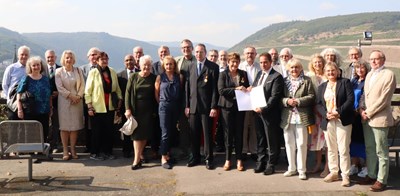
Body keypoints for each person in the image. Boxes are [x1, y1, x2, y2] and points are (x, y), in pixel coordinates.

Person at [359, 50, 396, 192]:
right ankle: (372, 174)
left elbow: (384, 99)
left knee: (381, 150)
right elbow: (366, 95)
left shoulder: (389, 75)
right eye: (371, 59)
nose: (373, 61)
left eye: (377, 59)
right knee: (370, 148)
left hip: (379, 118)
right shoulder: (369, 74)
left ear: (383, 60)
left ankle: (382, 180)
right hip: (367, 118)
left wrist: (368, 112)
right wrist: (362, 110)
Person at [316, 62, 354, 187]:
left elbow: (350, 100)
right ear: (325, 73)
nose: (331, 73)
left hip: (342, 120)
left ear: (338, 71)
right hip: (328, 120)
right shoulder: (322, 87)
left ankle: (345, 175)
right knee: (331, 148)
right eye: (328, 71)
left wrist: (338, 112)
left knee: (343, 149)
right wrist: (326, 114)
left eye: (333, 70)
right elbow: (318, 104)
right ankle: (333, 172)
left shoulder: (345, 82)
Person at [185, 43, 219, 170]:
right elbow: (187, 88)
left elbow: (215, 89)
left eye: (201, 52)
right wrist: (187, 105)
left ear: (205, 53)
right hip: (193, 107)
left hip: (207, 107)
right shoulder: (191, 66)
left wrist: (214, 107)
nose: (199, 54)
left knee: (207, 134)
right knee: (193, 133)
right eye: (197, 52)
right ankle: (194, 157)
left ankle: (209, 159)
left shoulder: (213, 67)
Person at [280, 58, 315, 180]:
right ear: (288, 69)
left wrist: (298, 101)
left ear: (300, 68)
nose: (294, 70)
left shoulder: (307, 81)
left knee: (301, 144)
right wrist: (287, 101)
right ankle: (291, 168)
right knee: (289, 144)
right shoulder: (284, 81)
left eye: (296, 67)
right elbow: (279, 97)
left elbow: (311, 96)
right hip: (288, 117)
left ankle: (302, 170)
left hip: (302, 116)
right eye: (292, 67)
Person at [85, 51, 122, 161]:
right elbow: (88, 91)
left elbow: (117, 88)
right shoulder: (93, 72)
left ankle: (108, 152)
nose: (104, 61)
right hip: (97, 107)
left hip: (109, 106)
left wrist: (120, 100)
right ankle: (94, 153)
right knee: (96, 132)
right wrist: (89, 106)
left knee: (109, 131)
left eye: (106, 59)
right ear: (97, 61)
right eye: (102, 59)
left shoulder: (112, 72)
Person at [251, 52, 284, 175]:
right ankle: (260, 161)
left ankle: (271, 163)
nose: (263, 64)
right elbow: (254, 90)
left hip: (269, 113)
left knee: (271, 139)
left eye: (265, 62)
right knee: (260, 138)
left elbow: (275, 96)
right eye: (261, 62)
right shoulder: (259, 74)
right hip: (257, 113)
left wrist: (264, 109)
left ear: (270, 62)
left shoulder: (276, 76)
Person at [16, 56, 52, 163]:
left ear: (41, 66)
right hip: (30, 111)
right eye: (34, 65)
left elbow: (49, 94)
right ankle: (32, 154)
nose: (36, 67)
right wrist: (20, 109)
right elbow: (19, 94)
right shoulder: (26, 78)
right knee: (31, 133)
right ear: (30, 67)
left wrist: (51, 107)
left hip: (44, 110)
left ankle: (41, 154)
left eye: (38, 65)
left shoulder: (45, 79)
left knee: (44, 131)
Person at [125, 55, 157, 170]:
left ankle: (137, 159)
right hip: (135, 111)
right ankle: (136, 160)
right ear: (140, 65)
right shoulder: (133, 77)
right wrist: (127, 109)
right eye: (144, 65)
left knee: (144, 136)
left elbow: (157, 95)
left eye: (149, 65)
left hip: (148, 112)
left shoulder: (154, 78)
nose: (147, 67)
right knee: (137, 136)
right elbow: (127, 94)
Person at [218, 52, 249, 171]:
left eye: (236, 62)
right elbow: (221, 90)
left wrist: (248, 88)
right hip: (226, 108)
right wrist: (236, 89)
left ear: (239, 62)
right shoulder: (223, 74)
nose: (234, 64)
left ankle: (239, 160)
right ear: (228, 62)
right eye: (232, 62)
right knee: (228, 134)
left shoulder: (243, 74)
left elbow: (246, 87)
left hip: (240, 107)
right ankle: (227, 160)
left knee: (239, 133)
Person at [55, 50, 85, 160]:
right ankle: (65, 150)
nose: (69, 59)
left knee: (74, 127)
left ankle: (73, 149)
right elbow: (60, 88)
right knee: (64, 127)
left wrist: (78, 96)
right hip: (64, 101)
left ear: (74, 59)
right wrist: (71, 96)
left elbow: (82, 85)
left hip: (77, 102)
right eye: (67, 57)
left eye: (71, 58)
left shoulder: (78, 70)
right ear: (63, 59)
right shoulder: (58, 71)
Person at [155, 56, 184, 169]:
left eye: (171, 64)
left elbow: (181, 91)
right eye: (166, 64)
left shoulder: (179, 77)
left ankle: (167, 154)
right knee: (165, 132)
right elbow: (156, 93)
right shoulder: (159, 77)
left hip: (175, 106)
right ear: (163, 66)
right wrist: (162, 104)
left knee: (172, 131)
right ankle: (163, 157)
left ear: (174, 65)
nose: (169, 66)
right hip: (164, 106)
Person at [306, 54, 328, 176]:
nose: (318, 64)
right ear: (312, 64)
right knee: (317, 140)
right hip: (314, 112)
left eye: (320, 62)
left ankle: (327, 166)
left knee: (328, 141)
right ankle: (318, 164)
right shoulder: (309, 76)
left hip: (326, 111)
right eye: (315, 62)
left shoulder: (328, 75)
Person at [175, 39, 196, 159]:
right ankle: (184, 150)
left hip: (194, 98)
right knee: (183, 126)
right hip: (181, 98)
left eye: (188, 47)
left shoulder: (196, 60)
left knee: (194, 126)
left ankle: (194, 150)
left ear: (192, 48)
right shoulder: (178, 61)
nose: (186, 49)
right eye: (183, 48)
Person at [238, 46, 260, 161]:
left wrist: (254, 87)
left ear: (255, 54)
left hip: (256, 99)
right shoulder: (240, 66)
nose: (249, 55)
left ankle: (254, 151)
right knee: (244, 126)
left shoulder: (259, 67)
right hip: (244, 100)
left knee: (254, 126)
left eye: (252, 53)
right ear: (244, 54)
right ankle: (244, 150)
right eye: (247, 53)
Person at [349, 60, 369, 177]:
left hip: (363, 114)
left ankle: (366, 166)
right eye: (357, 68)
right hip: (353, 115)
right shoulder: (354, 81)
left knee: (364, 141)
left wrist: (360, 110)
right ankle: (355, 165)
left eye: (362, 68)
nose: (360, 70)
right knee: (353, 141)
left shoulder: (368, 81)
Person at [80, 47, 100, 153]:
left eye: (96, 54)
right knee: (88, 125)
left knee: (99, 125)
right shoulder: (82, 69)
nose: (94, 56)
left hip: (99, 102)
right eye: (91, 55)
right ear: (88, 57)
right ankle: (88, 146)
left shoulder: (103, 68)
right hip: (86, 102)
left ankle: (98, 146)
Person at [2, 45, 30, 120]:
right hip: (13, 103)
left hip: (28, 103)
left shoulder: (31, 68)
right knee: (13, 126)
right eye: (22, 54)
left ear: (29, 56)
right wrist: (9, 99)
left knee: (27, 127)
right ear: (18, 56)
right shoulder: (11, 68)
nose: (24, 56)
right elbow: (5, 85)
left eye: (26, 55)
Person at [43, 50, 62, 153]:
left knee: (56, 124)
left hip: (58, 101)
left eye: (52, 57)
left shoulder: (61, 69)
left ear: (56, 57)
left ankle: (55, 145)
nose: (50, 59)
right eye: (48, 57)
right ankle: (44, 145)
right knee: (44, 124)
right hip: (44, 102)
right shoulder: (41, 69)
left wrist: (59, 92)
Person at [117, 54, 136, 158]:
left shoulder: (139, 73)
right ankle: (126, 150)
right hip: (125, 107)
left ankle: (137, 150)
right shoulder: (119, 75)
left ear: (134, 61)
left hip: (138, 106)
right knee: (126, 129)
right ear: (124, 62)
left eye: (131, 60)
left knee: (137, 129)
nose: (129, 62)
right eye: (127, 60)